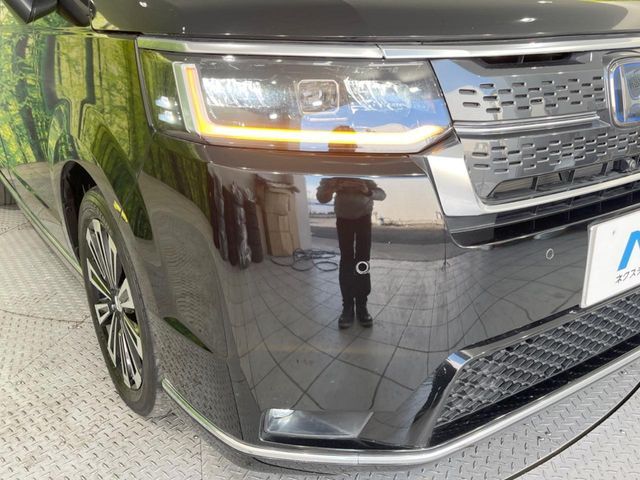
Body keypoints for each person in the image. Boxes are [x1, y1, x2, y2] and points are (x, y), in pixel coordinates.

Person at [316, 177, 386, 329]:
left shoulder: (364, 174)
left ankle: (361, 305)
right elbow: (321, 198)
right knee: (346, 261)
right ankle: (347, 306)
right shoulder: (333, 175)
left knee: (362, 262)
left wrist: (367, 191)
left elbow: (382, 194)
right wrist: (330, 189)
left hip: (364, 218)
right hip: (343, 219)